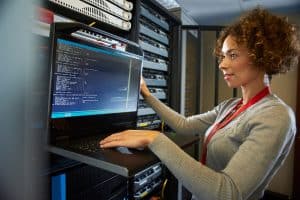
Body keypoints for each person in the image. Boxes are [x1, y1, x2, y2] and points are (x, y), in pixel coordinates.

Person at [100, 7, 300, 200]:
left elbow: (227, 193)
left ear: (262, 56)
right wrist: (146, 94)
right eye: (222, 56)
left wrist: (155, 140)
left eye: (233, 55)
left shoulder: (276, 116)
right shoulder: (230, 106)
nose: (222, 64)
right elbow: (184, 125)